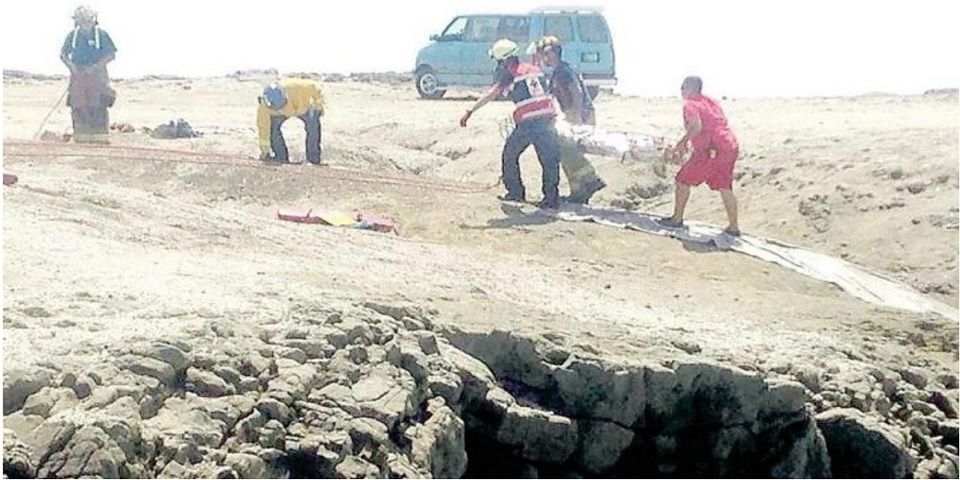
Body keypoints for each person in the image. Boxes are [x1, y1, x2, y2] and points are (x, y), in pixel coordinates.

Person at [459, 38, 561, 209]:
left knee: (510, 155)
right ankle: (551, 199)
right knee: (549, 161)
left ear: (504, 60)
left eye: (498, 62)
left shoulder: (511, 74)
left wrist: (470, 111)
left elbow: (491, 94)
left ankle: (515, 192)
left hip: (529, 123)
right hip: (548, 120)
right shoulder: (533, 69)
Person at [658, 76, 741, 236]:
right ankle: (734, 227)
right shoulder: (711, 102)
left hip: (712, 150)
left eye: (682, 87)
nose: (681, 91)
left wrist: (682, 142)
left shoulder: (690, 104)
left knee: (682, 180)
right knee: (725, 186)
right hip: (729, 145)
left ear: (690, 88)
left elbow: (697, 126)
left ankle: (677, 219)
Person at [534, 36, 606, 204]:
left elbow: (577, 93)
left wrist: (576, 117)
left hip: (580, 114)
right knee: (565, 152)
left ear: (554, 53)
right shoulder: (555, 72)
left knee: (568, 149)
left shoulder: (564, 71)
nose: (543, 58)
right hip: (570, 113)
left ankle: (591, 179)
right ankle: (578, 192)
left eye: (546, 53)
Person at [60, 5, 117, 144]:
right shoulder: (72, 36)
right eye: (81, 20)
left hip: (98, 75)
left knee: (99, 105)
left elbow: (111, 54)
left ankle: (100, 138)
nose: (85, 24)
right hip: (78, 75)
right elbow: (63, 55)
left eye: (87, 20)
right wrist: (72, 67)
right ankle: (81, 137)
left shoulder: (101, 35)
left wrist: (96, 67)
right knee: (78, 105)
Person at [257, 79, 325, 164]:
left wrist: (318, 107)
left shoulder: (303, 88)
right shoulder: (264, 107)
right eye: (278, 109)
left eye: (283, 105)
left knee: (313, 128)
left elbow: (318, 90)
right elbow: (263, 129)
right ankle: (281, 157)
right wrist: (265, 151)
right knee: (273, 129)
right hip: (284, 111)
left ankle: (313, 160)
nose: (281, 109)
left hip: (305, 107)